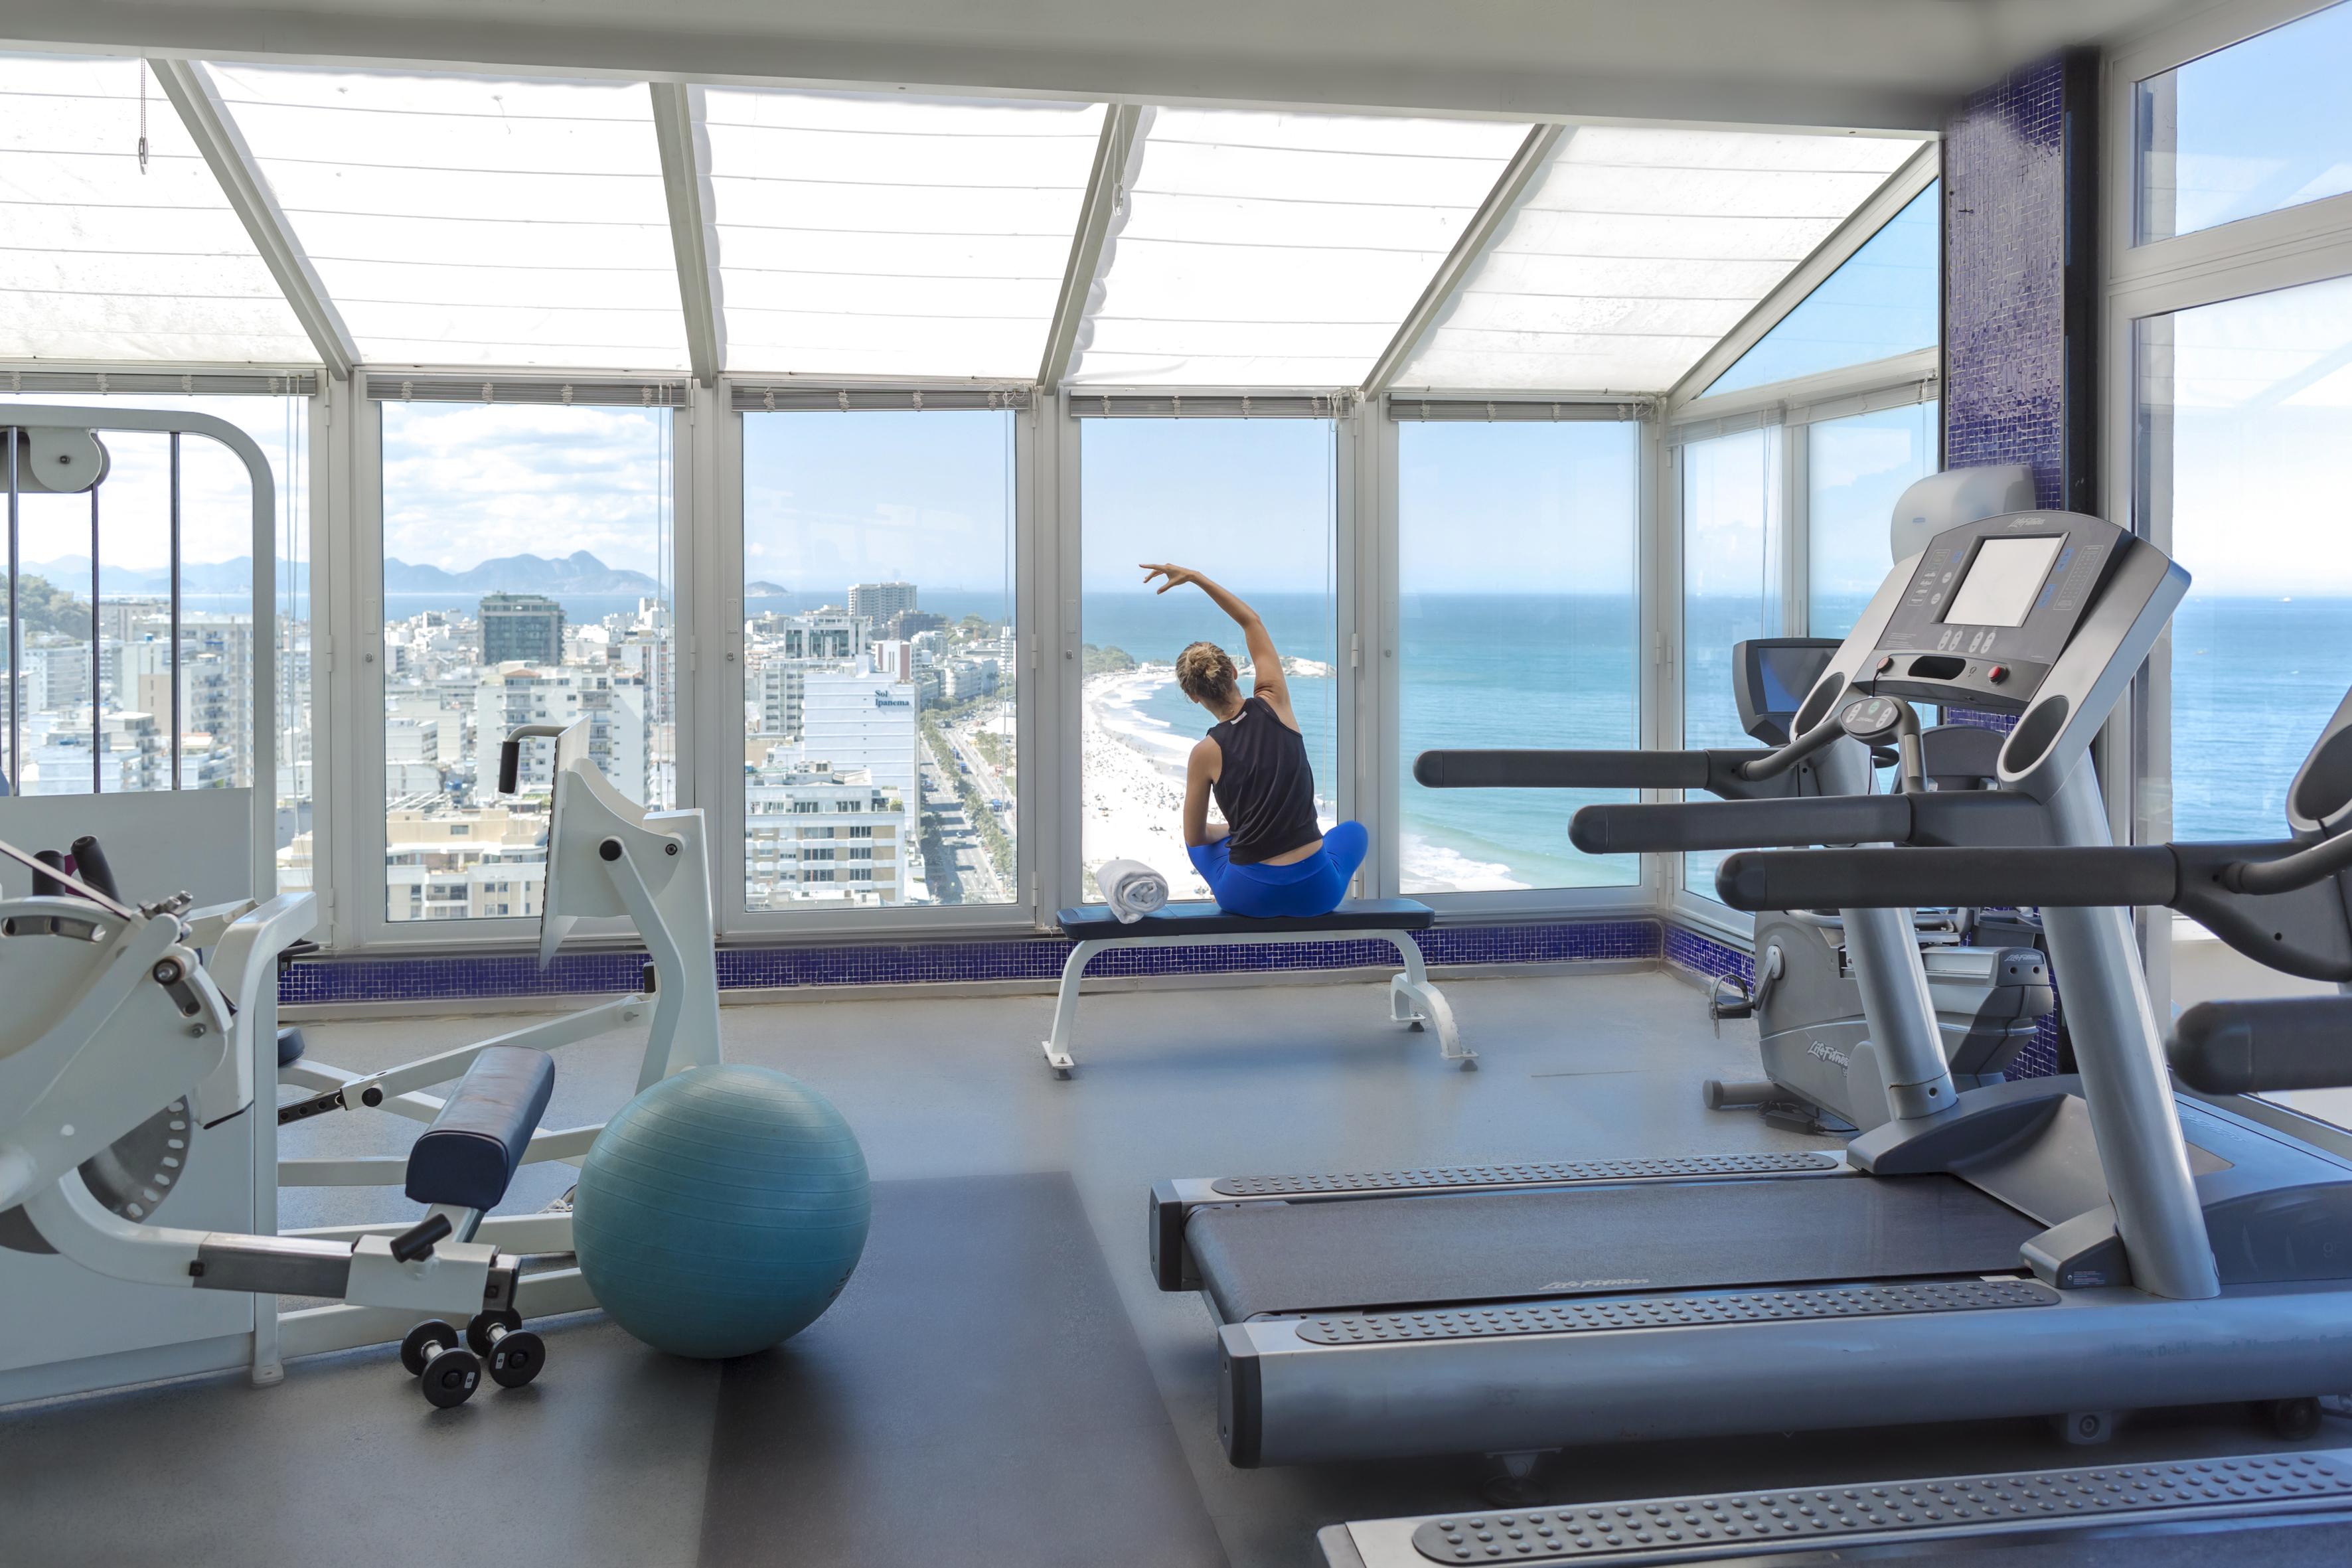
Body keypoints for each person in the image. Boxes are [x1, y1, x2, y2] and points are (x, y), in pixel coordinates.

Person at [1140, 562, 1368, 918]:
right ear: (1233, 672)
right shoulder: (1274, 700)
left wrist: (1234, 831)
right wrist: (1197, 577)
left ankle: (1240, 861)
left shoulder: (1205, 753)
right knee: (1353, 832)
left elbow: (1196, 838)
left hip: (1246, 896)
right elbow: (1251, 622)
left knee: (1201, 845)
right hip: (1316, 893)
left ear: (1193, 696)